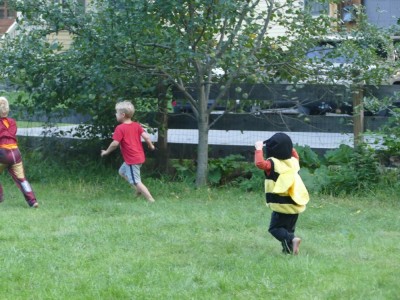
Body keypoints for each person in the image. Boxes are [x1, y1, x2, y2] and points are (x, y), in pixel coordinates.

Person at [254, 132, 309, 255]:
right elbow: (295, 154)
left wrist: (258, 149)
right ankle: (288, 251)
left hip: (281, 204)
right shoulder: (294, 162)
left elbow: (260, 164)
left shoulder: (272, 163)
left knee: (275, 228)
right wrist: (289, 147)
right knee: (288, 229)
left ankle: (292, 240)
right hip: (295, 203)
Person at [101, 101, 156, 203]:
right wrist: (151, 146)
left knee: (136, 180)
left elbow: (114, 144)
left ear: (122, 115)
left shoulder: (120, 128)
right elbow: (147, 136)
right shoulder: (136, 125)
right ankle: (138, 190)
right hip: (139, 156)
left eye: (116, 113)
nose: (115, 114)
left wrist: (106, 152)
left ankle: (150, 199)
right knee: (122, 172)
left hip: (132, 159)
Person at [0, 96, 39, 208]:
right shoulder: (12, 122)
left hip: (3, 154)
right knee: (22, 179)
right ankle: (33, 201)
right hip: (16, 153)